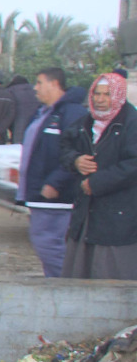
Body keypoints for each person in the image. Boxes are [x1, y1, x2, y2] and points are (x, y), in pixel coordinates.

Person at [59, 73, 137, 280]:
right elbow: (65, 146)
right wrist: (76, 161)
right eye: (97, 94)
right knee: (81, 271)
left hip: (118, 215)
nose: (100, 100)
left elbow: (133, 164)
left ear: (118, 95)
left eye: (107, 95)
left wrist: (97, 183)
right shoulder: (85, 123)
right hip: (87, 211)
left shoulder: (131, 124)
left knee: (111, 273)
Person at [18, 67, 87, 277]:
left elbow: (78, 152)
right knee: (45, 245)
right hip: (39, 194)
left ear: (54, 84)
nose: (35, 88)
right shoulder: (43, 113)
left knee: (50, 246)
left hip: (57, 197)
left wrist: (55, 182)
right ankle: (55, 286)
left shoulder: (72, 113)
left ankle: (65, 287)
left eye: (39, 82)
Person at [7, 73, 40, 144]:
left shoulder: (10, 91)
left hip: (18, 127)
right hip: (35, 126)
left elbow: (8, 112)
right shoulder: (36, 90)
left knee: (18, 147)